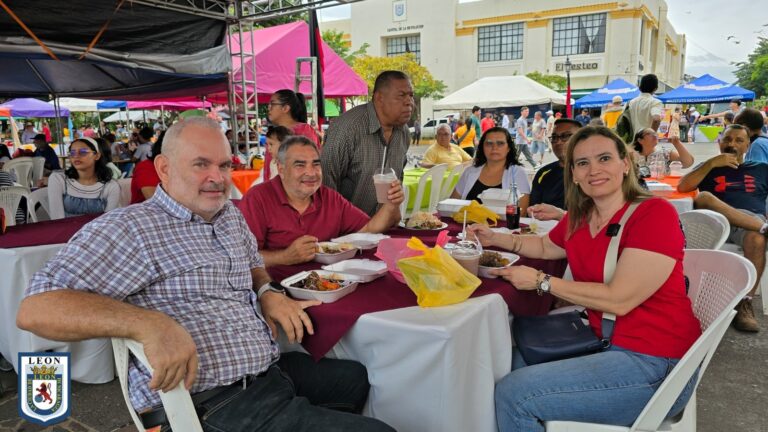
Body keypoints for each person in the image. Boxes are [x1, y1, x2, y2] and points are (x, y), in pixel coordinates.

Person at [17, 117, 394, 432]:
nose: (218, 177)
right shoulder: (130, 228)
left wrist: (267, 292)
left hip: (267, 371)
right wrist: (149, 325)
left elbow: (251, 263)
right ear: (164, 168)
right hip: (211, 402)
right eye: (201, 164)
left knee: (360, 378)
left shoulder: (226, 213)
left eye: (225, 165)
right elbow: (36, 309)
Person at [470, 126, 700, 431]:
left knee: (514, 394)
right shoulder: (582, 214)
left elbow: (620, 299)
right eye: (582, 163)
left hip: (656, 362)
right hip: (602, 339)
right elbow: (544, 246)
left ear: (625, 164)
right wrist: (495, 238)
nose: (594, 170)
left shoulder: (654, 213)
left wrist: (542, 281)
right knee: (501, 366)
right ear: (574, 174)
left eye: (604, 158)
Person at [241, 136, 403, 267]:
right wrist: (284, 257)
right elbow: (241, 257)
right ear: (282, 169)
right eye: (300, 165)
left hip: (331, 282)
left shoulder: (329, 197)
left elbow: (369, 229)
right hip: (277, 291)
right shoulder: (258, 198)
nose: (311, 173)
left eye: (316, 164)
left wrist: (391, 203)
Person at [678, 124, 767, 332]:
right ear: (720, 143)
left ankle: (744, 302)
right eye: (727, 139)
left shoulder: (761, 168)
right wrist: (711, 163)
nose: (732, 144)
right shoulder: (709, 167)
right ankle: (764, 228)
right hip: (718, 222)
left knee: (756, 239)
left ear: (747, 145)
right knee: (705, 197)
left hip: (750, 223)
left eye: (738, 140)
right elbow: (683, 186)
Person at [322, 70, 413, 216]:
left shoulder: (403, 133)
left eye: (411, 96)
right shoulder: (347, 129)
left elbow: (397, 180)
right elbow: (325, 183)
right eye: (401, 95)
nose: (409, 102)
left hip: (384, 226)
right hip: (346, 230)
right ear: (379, 98)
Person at [451, 127, 530, 212]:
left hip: (504, 225)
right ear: (482, 148)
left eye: (500, 143)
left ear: (508, 148)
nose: (494, 147)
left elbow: (522, 211)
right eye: (489, 144)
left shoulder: (517, 173)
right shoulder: (469, 172)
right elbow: (452, 204)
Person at [47, 137, 120, 219]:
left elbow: (108, 221)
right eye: (72, 153)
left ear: (97, 156)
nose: (76, 156)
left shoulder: (110, 186)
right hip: (66, 230)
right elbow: (57, 219)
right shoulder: (59, 179)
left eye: (83, 152)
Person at [527, 118, 582, 220]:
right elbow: (533, 210)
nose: (558, 142)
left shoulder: (592, 173)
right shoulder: (544, 173)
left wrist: (560, 215)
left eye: (565, 136)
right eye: (554, 137)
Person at [264, 89, 321, 180]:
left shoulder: (304, 130)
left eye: (273, 104)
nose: (269, 108)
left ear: (285, 108)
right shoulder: (276, 132)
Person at [130, 132, 165, 204]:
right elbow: (156, 202)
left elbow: (133, 159)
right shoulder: (146, 168)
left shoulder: (141, 147)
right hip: (142, 212)